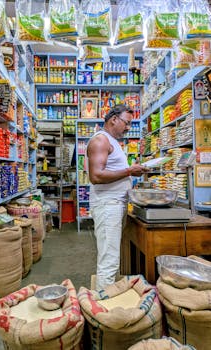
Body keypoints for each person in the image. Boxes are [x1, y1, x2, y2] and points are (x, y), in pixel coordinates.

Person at [87, 104, 148, 291]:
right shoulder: (100, 141)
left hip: (115, 205)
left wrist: (132, 172)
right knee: (109, 259)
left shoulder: (113, 142)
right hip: (108, 206)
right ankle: (102, 309)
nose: (128, 128)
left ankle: (105, 299)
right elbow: (96, 176)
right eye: (127, 123)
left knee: (111, 255)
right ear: (114, 119)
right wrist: (130, 170)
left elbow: (116, 172)